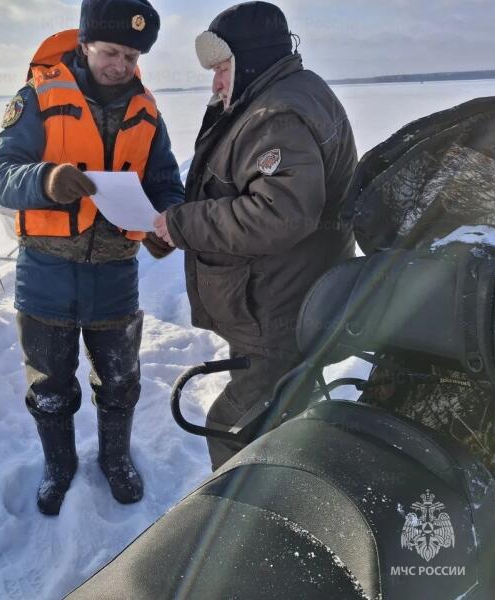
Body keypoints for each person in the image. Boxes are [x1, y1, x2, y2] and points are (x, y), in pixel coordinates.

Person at [0, 0, 184, 515]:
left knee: (120, 381)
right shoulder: (38, 96)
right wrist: (46, 179)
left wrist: (167, 221)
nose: (120, 65)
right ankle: (59, 465)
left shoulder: (147, 111)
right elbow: (0, 173)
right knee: (50, 384)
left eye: (131, 55)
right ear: (85, 44)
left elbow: (165, 182)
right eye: (111, 52)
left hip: (116, 271)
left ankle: (114, 458)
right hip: (45, 271)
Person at [153, 1, 358, 470]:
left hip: (279, 311)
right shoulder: (289, 93)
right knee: (280, 424)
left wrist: (184, 223)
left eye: (223, 68)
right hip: (283, 300)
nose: (217, 83)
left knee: (236, 431)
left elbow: (280, 212)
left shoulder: (276, 114)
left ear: (250, 61)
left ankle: (240, 525)